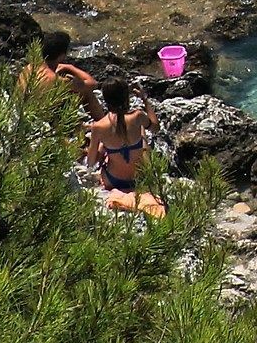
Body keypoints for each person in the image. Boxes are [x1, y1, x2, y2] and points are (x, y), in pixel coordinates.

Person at [85, 76, 165, 219]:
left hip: (113, 180)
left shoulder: (98, 127)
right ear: (125, 96)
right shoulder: (137, 116)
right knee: (142, 134)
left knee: (107, 145)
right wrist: (145, 100)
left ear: (106, 99)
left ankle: (109, 145)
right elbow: (156, 127)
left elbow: (91, 162)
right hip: (139, 178)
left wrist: (103, 146)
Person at [30, 29, 105, 119]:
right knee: (86, 92)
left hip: (26, 111)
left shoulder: (30, 67)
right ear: (62, 55)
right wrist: (70, 67)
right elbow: (92, 84)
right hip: (43, 118)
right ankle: (103, 124)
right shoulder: (59, 81)